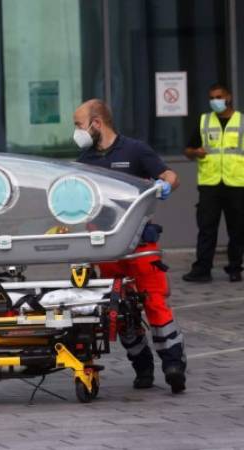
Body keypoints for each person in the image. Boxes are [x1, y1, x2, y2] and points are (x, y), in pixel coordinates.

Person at [74, 99, 187, 394]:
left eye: (79, 125)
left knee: (155, 303)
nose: (77, 132)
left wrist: (165, 186)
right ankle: (143, 366)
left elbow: (172, 177)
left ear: (97, 123)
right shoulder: (84, 161)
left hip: (140, 244)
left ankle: (174, 363)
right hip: (107, 246)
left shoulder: (135, 150)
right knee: (120, 311)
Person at [182, 83, 244, 283]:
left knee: (237, 229)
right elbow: (188, 150)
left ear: (229, 97)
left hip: (237, 184)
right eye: (212, 98)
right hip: (210, 185)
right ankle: (202, 269)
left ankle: (235, 268)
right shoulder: (204, 121)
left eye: (218, 96)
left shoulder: (241, 122)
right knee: (207, 228)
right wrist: (195, 152)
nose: (215, 101)